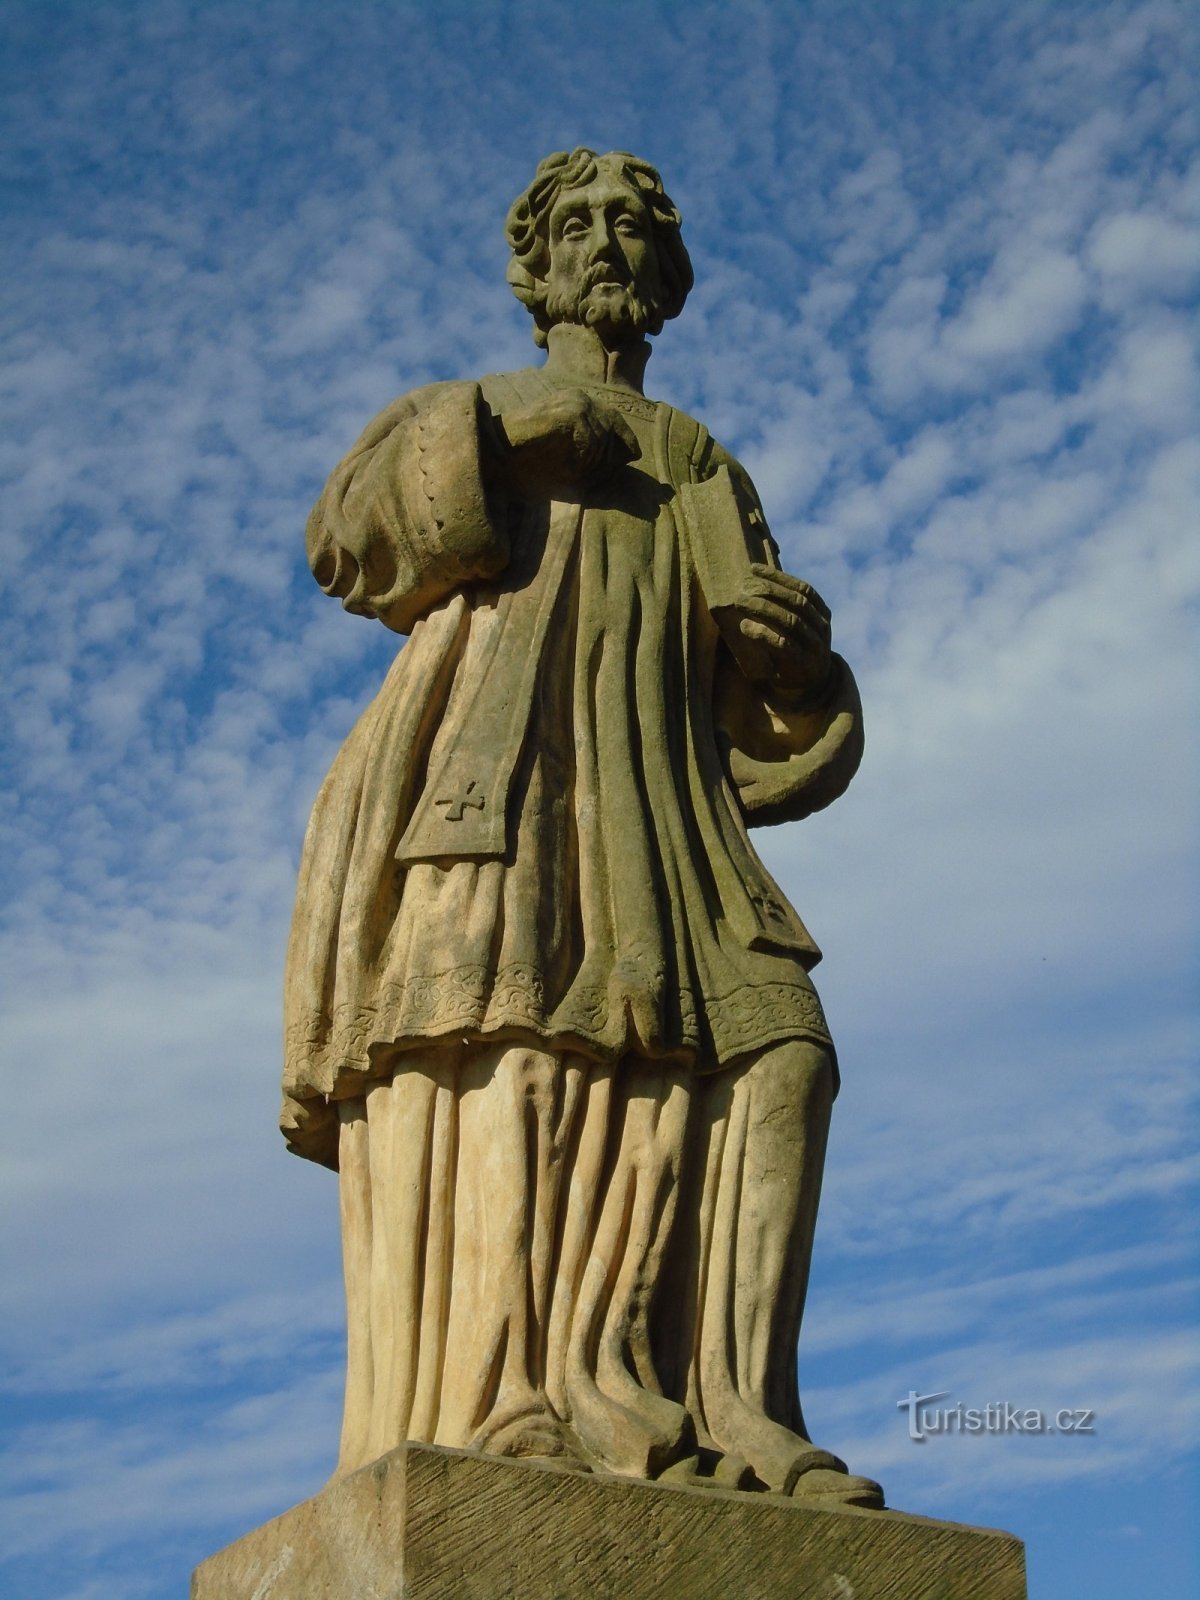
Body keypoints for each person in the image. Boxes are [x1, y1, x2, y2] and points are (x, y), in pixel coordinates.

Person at [282, 148, 881, 1507]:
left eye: (634, 227)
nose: (608, 243)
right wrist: (509, 430)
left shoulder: (700, 463)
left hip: (670, 811)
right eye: (581, 226)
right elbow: (347, 537)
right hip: (505, 782)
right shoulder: (478, 409)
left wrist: (792, 664)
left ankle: (744, 1414)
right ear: (535, 267)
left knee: (782, 1052)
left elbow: (769, 730)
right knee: (519, 1043)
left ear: (666, 281)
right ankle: (515, 1401)